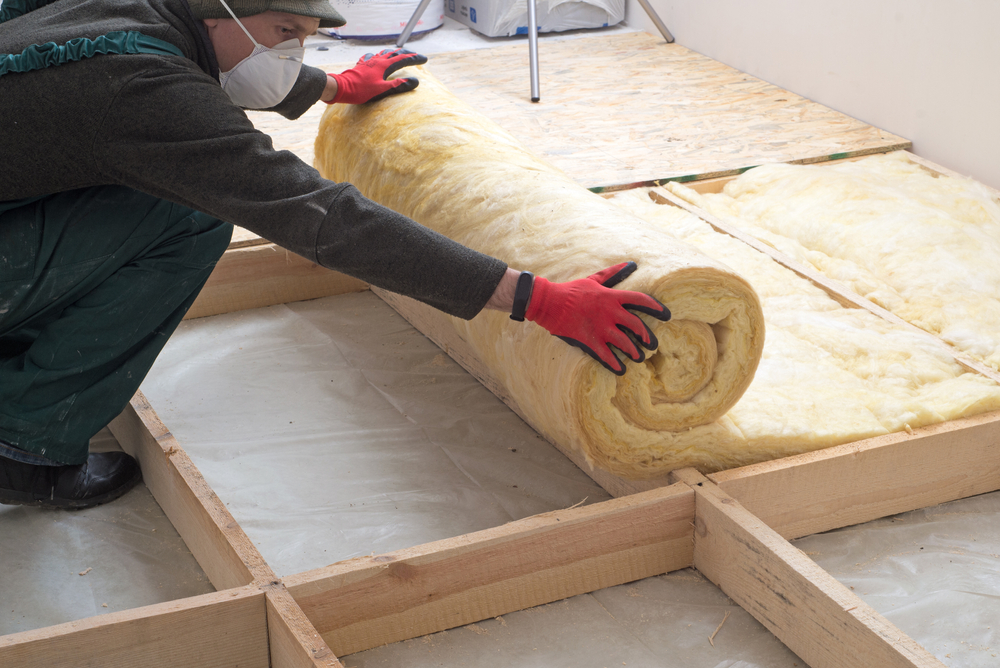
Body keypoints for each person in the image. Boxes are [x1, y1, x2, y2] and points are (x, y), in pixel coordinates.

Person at [0, 0, 670, 510]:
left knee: (146, 181)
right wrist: (537, 298)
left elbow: (207, 58)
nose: (293, 53)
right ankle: (25, 447)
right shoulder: (141, 89)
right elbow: (324, 217)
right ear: (222, 7)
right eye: (286, 34)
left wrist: (332, 88)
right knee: (191, 210)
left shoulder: (130, 12)